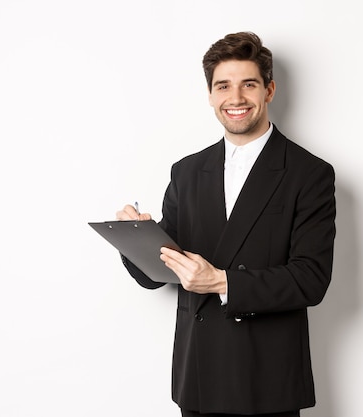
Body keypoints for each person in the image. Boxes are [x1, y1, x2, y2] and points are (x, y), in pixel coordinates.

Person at [116, 32, 336, 417]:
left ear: (269, 90)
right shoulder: (186, 171)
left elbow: (311, 278)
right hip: (198, 377)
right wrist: (137, 240)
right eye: (223, 86)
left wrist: (221, 281)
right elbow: (158, 273)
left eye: (248, 84)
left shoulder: (309, 173)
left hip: (266, 381)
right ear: (210, 95)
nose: (235, 98)